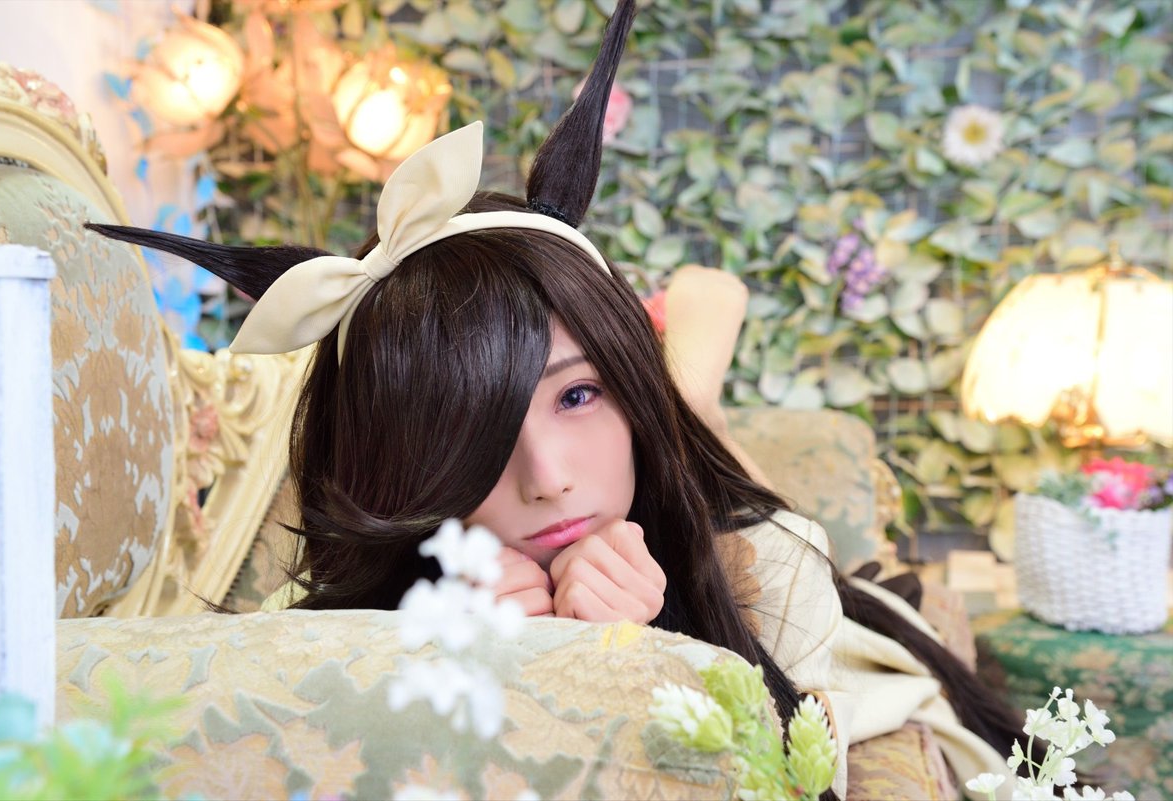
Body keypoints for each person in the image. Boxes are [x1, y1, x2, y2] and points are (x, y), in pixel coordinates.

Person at [88, 2, 1023, 796]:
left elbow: (800, 773)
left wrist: (643, 658)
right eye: (476, 428)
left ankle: (687, 393)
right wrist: (442, 654)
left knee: (724, 454)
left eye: (578, 394)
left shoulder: (770, 566)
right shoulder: (329, 630)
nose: (546, 479)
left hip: (734, 521)